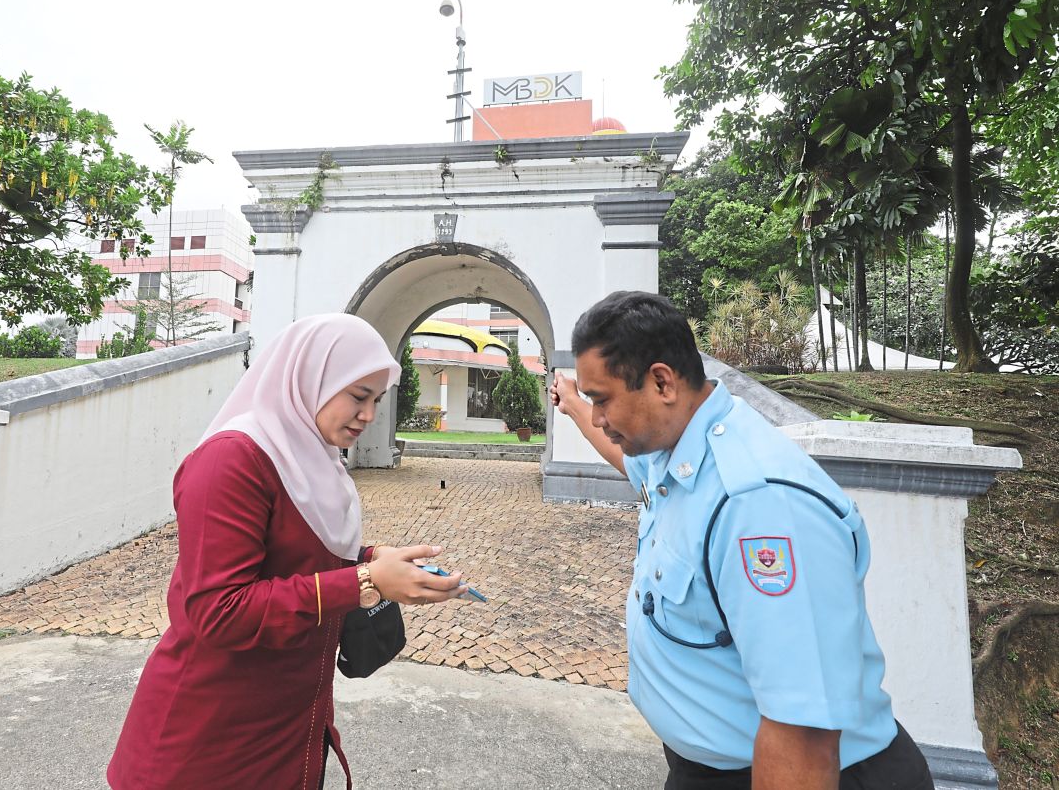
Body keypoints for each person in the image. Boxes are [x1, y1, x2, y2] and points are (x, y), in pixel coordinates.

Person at [551, 291, 934, 790]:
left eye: (602, 399)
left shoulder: (760, 507)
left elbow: (802, 730)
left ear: (662, 381)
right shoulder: (673, 448)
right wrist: (577, 409)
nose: (599, 417)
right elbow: (632, 466)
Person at [107, 313, 467, 790]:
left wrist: (375, 558)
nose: (368, 415)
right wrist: (365, 581)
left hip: (290, 716)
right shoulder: (232, 459)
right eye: (357, 396)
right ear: (311, 378)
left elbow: (299, 550)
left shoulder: (313, 455)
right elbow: (217, 610)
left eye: (377, 400)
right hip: (208, 735)